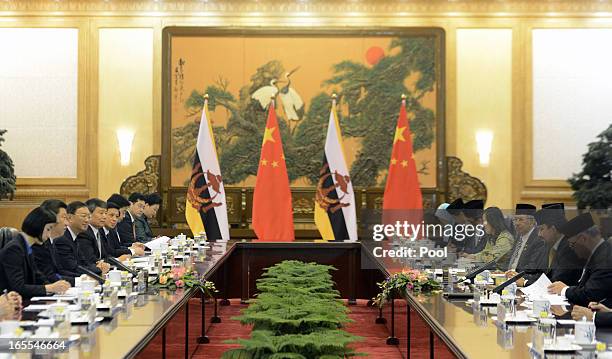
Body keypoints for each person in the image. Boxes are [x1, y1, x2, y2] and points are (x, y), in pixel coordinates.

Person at [0, 207, 71, 298]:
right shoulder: (14, 249)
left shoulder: (26, 246)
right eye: (48, 229)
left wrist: (56, 287)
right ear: (38, 226)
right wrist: (49, 288)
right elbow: (18, 287)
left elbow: (38, 276)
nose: (49, 235)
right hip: (11, 304)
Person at [548, 213, 612, 307]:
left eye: (572, 244)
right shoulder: (598, 253)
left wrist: (564, 289)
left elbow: (589, 295)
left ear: (583, 239)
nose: (572, 249)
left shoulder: (605, 259)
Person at [34, 199, 78, 285]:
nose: (67, 223)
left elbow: (59, 271)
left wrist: (81, 278)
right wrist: (78, 281)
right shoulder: (38, 244)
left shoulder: (52, 241)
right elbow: (49, 276)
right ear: (50, 216)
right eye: (64, 218)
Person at [54, 201, 105, 276]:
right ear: (70, 218)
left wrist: (98, 266)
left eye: (88, 217)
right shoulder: (63, 238)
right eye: (83, 216)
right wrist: (98, 269)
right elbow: (72, 267)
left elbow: (84, 262)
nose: (87, 220)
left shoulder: (75, 236)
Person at [504, 204, 544, 272]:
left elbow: (532, 266)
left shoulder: (538, 239)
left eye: (521, 219)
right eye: (515, 219)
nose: (517, 223)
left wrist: (514, 274)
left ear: (532, 222)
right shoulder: (518, 236)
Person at [77, 199, 111, 274]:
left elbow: (105, 255)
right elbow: (89, 259)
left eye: (105, 213)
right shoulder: (84, 233)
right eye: (101, 213)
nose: (104, 217)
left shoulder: (99, 231)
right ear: (90, 214)